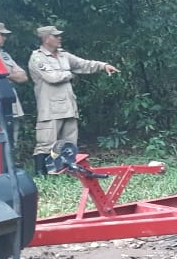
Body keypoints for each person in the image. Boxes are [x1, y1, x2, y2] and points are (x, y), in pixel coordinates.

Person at [28, 25, 119, 176]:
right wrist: (70, 74)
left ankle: (65, 172)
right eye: (55, 36)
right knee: (46, 143)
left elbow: (83, 64)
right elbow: (52, 77)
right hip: (50, 108)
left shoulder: (63, 55)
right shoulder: (37, 58)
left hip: (69, 106)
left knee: (69, 142)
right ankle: (42, 174)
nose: (59, 38)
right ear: (46, 38)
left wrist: (103, 66)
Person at [0, 21, 28, 148]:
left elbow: (23, 77)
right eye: (1, 35)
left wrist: (4, 75)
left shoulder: (4, 55)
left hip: (12, 105)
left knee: (13, 142)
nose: (5, 38)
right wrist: (10, 75)